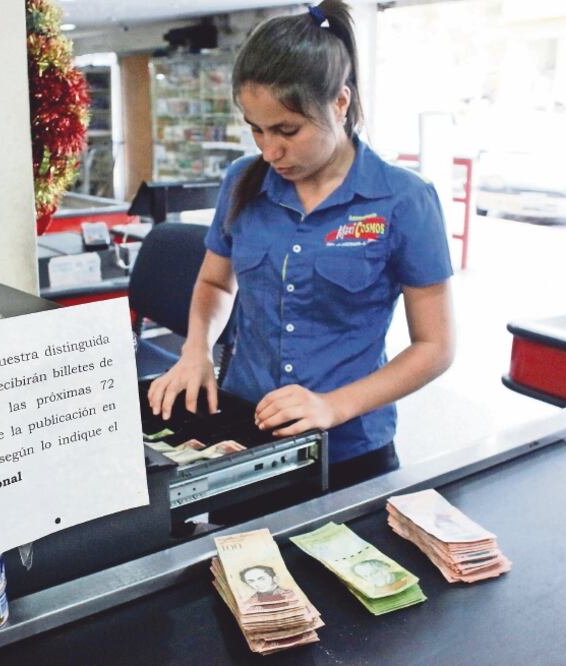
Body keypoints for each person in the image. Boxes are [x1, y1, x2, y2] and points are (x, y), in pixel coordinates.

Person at [147, 0, 456, 494]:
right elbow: (213, 281)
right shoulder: (242, 181)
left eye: (287, 131)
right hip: (245, 437)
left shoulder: (402, 200)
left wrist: (335, 405)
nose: (270, 151)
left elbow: (435, 347)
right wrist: (196, 348)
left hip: (351, 449)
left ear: (340, 102)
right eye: (256, 129)